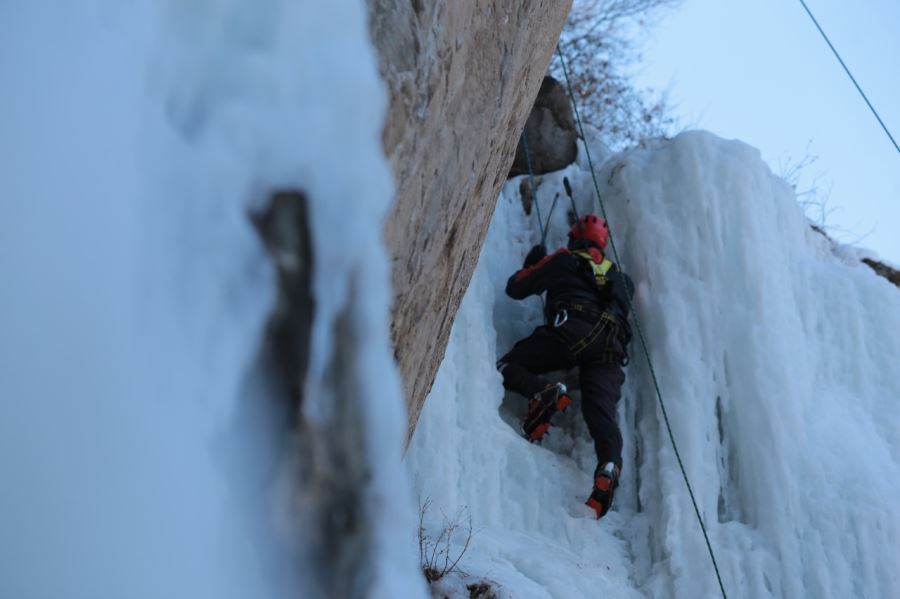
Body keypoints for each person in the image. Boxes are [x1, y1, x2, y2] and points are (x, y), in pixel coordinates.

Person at [496, 214, 633, 519]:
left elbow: (516, 288)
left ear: (574, 240)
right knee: (603, 417)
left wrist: (533, 262)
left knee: (506, 366)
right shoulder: (623, 280)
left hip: (571, 331)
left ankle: (542, 392)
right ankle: (608, 467)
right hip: (610, 350)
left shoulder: (562, 260)